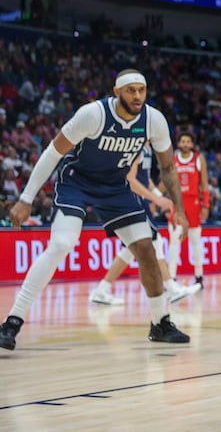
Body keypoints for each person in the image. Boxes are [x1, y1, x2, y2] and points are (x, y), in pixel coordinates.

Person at [0, 69, 191, 350]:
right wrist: (26, 198)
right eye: (130, 90)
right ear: (117, 92)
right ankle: (12, 322)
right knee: (62, 244)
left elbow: (169, 167)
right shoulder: (92, 114)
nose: (137, 96)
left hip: (115, 187)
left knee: (147, 249)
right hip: (77, 182)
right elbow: (53, 152)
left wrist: (181, 211)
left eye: (142, 90)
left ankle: (160, 322)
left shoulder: (154, 120)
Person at [90, 144, 202, 305]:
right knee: (155, 241)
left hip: (133, 200)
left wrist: (159, 197)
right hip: (130, 200)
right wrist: (156, 200)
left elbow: (145, 178)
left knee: (130, 249)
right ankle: (171, 288)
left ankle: (102, 290)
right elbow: (130, 180)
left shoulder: (147, 149)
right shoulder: (136, 147)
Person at [169, 132, 209, 287]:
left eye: (188, 141)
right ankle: (171, 277)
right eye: (183, 141)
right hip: (177, 202)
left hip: (193, 203)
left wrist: (206, 205)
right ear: (178, 144)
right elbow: (167, 181)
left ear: (192, 144)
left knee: (195, 241)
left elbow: (204, 184)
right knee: (174, 240)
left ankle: (199, 276)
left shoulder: (198, 159)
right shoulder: (172, 159)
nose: (185, 144)